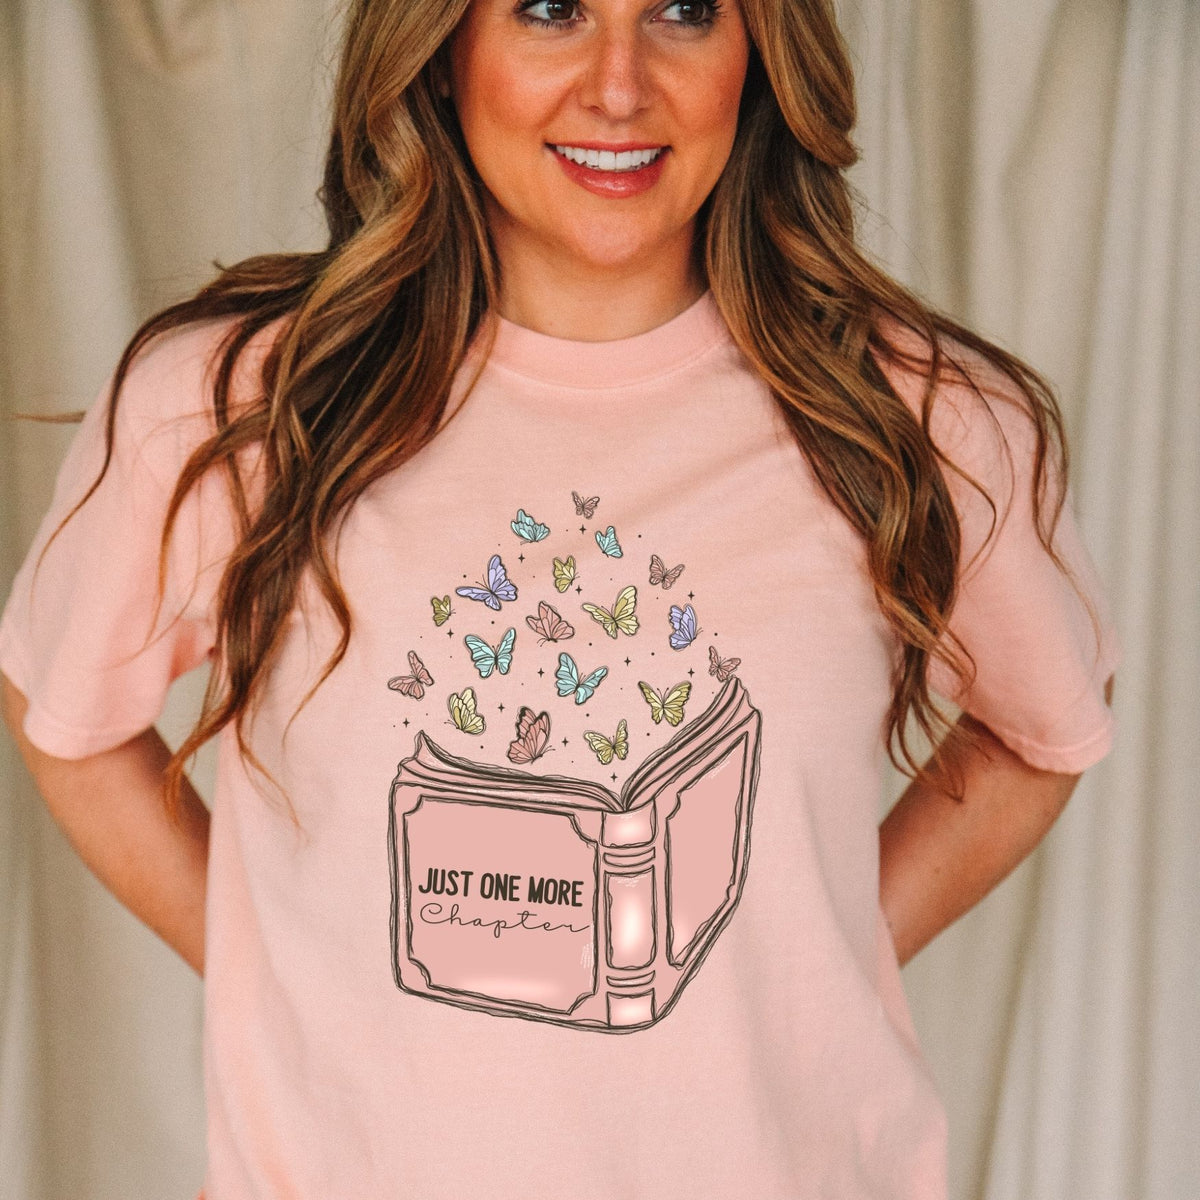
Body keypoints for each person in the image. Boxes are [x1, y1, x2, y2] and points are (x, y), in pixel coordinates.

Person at [0, 0, 1121, 1195]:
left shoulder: (921, 421)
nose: (619, 86)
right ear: (444, 47)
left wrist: (805, 951)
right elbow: (68, 718)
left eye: (684, 10)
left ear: (760, 52)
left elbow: (1041, 730)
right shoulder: (236, 407)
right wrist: (288, 975)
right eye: (549, 9)